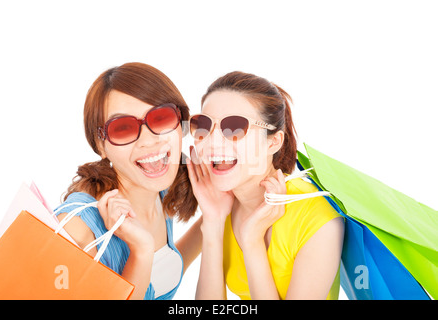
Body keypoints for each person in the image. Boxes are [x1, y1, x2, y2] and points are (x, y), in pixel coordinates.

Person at [187, 71, 344, 300]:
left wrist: (252, 243)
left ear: (273, 141)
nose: (212, 142)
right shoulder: (222, 206)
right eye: (203, 126)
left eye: (234, 128)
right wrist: (213, 222)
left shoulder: (317, 219)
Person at [54, 62, 201, 300]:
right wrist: (140, 252)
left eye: (161, 118)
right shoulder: (77, 229)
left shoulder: (158, 193)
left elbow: (161, 274)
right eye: (122, 128)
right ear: (101, 145)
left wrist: (214, 219)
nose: (149, 140)